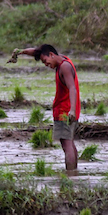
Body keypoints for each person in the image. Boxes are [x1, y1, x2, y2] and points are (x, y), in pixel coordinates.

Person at [10, 44, 80, 172]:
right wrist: (21, 52)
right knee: (70, 142)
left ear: (52, 55)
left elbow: (72, 88)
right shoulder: (63, 60)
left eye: (45, 61)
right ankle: (74, 172)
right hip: (67, 109)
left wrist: (72, 110)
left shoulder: (64, 67)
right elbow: (39, 51)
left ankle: (71, 176)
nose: (46, 65)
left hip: (65, 111)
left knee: (66, 144)